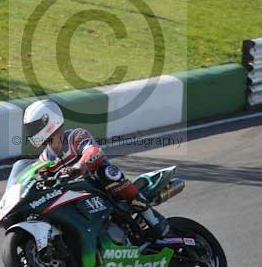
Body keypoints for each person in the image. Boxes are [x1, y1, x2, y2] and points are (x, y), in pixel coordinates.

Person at [23, 98, 169, 239]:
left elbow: (93, 150)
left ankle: (152, 219)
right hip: (71, 196)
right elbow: (39, 179)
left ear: (49, 122)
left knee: (109, 173)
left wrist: (79, 167)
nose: (32, 132)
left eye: (35, 127)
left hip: (97, 185)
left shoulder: (76, 136)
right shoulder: (44, 158)